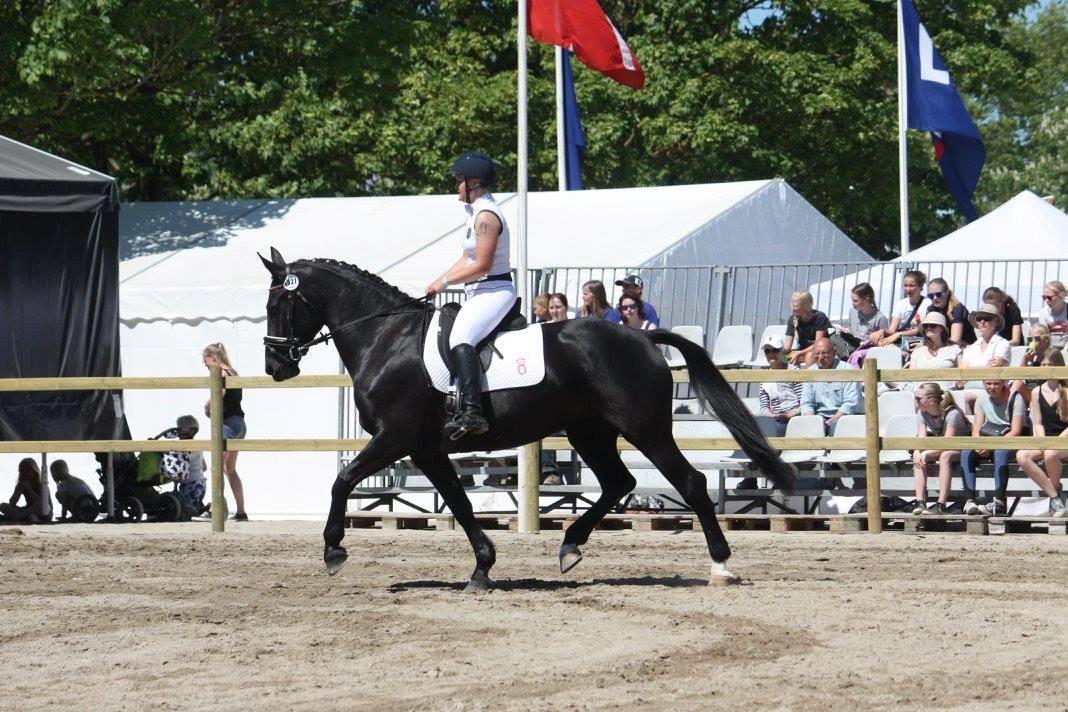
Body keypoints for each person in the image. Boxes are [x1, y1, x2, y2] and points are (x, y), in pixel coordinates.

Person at [424, 151, 516, 440]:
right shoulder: (475, 213)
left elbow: (482, 265)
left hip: (496, 290)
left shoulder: (486, 216)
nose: (456, 186)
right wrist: (436, 282)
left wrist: (447, 282)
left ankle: (474, 414)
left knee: (460, 338)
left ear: (474, 182)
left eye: (459, 180)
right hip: (479, 291)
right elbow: (466, 257)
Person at [960, 379, 1028, 516]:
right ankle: (969, 500)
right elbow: (976, 429)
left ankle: (999, 502)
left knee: (1000, 452)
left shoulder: (1015, 397)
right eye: (988, 383)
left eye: (995, 383)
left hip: (1012, 440)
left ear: (1003, 383)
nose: (991, 387)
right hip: (990, 438)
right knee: (966, 453)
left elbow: (1016, 431)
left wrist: (991, 446)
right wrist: (979, 445)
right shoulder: (982, 398)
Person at [1016, 350, 1068, 517]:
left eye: (1050, 365)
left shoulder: (1066, 389)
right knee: (1022, 455)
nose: (1046, 368)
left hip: (1064, 438)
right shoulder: (1036, 391)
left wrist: (1058, 440)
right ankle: (1055, 496)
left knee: (1051, 454)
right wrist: (1042, 440)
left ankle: (1055, 495)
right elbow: (1037, 422)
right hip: (1047, 438)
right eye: (1043, 364)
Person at [203, 342, 248, 520]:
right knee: (230, 470)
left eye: (205, 361)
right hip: (240, 423)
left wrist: (207, 406)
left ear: (213, 358)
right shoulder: (233, 371)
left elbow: (219, 392)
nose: (205, 365)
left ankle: (216, 510)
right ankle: (241, 511)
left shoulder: (221, 372)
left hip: (228, 424)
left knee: (217, 467)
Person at [910, 383, 967, 515]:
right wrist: (917, 451)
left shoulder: (952, 413)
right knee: (917, 456)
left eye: (919, 398)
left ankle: (941, 504)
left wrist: (924, 454)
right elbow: (921, 438)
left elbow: (948, 443)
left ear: (932, 401)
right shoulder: (922, 412)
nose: (916, 401)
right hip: (943, 445)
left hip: (961, 447)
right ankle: (920, 502)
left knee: (944, 455)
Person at [799, 337, 862, 433]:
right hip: (818, 418)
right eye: (817, 353)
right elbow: (806, 403)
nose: (820, 357)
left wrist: (828, 423)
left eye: (824, 353)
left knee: (836, 427)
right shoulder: (810, 373)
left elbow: (850, 404)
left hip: (844, 417)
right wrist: (813, 422)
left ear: (834, 353)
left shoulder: (848, 371)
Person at [901, 312, 961, 391]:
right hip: (921, 396)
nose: (929, 328)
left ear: (942, 328)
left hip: (945, 395)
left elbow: (962, 378)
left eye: (933, 325)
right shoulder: (917, 352)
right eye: (926, 326)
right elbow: (912, 378)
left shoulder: (954, 349)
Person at [757, 335, 801, 436]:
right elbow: (764, 406)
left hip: (796, 417)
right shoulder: (763, 376)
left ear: (782, 351)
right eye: (767, 351)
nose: (771, 354)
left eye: (775, 350)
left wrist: (790, 415)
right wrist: (772, 415)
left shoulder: (794, 371)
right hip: (776, 419)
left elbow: (804, 402)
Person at [783, 290, 831, 367]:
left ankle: (810, 379)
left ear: (805, 306)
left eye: (795, 305)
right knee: (783, 357)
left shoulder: (819, 317)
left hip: (820, 351)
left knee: (809, 356)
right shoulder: (792, 319)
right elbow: (787, 346)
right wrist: (775, 351)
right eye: (792, 304)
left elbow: (817, 344)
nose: (792, 308)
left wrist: (799, 353)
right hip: (802, 350)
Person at [844, 282, 888, 367]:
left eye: (855, 301)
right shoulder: (852, 311)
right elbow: (851, 328)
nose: (852, 303)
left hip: (868, 349)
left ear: (867, 299)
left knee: (863, 356)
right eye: (852, 300)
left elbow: (883, 342)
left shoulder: (880, 318)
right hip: (851, 345)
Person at [172, 415, 208, 517]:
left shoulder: (184, 446)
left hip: (191, 485)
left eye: (178, 428)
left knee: (185, 511)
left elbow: (181, 467)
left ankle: (207, 510)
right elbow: (204, 467)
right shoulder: (198, 445)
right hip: (201, 482)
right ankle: (205, 509)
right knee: (190, 505)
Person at [924, 278, 974, 346]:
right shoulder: (930, 309)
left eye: (938, 294)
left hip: (964, 347)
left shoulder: (957, 309)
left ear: (947, 293)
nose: (935, 298)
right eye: (931, 295)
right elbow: (929, 335)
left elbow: (955, 340)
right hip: (944, 345)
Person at [0, 458, 51, 523]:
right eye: (22, 471)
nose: (24, 473)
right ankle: (23, 517)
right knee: (3, 505)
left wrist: (29, 489)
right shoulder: (21, 484)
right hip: (27, 510)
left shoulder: (41, 485)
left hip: (41, 512)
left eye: (27, 470)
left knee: (43, 505)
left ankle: (18, 517)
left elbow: (41, 503)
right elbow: (12, 503)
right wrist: (18, 490)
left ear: (34, 471)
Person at [1037, 280, 1068, 350]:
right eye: (1044, 297)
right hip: (1050, 349)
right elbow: (1044, 336)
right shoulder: (1043, 313)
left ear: (1061, 296)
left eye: (1049, 297)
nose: (1046, 301)